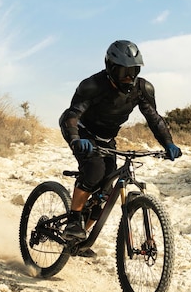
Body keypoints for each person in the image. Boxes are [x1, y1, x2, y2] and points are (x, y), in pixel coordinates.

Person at [59, 40, 182, 247]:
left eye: (133, 71)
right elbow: (72, 115)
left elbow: (154, 118)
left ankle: (78, 240)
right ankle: (73, 221)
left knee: (106, 190)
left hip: (107, 138)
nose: (129, 77)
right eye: (124, 71)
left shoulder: (142, 89)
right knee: (94, 171)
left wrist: (168, 143)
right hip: (82, 131)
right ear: (111, 67)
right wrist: (75, 140)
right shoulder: (93, 86)